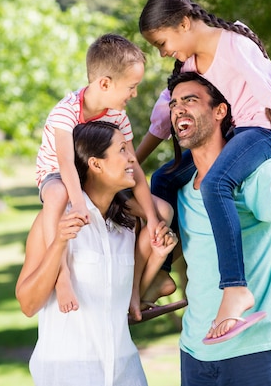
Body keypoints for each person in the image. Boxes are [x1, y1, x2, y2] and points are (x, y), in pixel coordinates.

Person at [136, 0, 271, 338]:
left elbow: (270, 87)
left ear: (184, 23)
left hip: (269, 132)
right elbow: (162, 120)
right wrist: (133, 162)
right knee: (163, 179)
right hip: (238, 137)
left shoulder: (233, 44)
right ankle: (161, 272)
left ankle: (236, 288)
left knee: (216, 183)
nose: (163, 53)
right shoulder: (190, 65)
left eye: (162, 42)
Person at [166, 72, 271, 383]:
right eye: (173, 104)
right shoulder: (181, 188)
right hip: (195, 352)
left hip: (254, 354)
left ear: (220, 111)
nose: (178, 110)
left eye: (190, 101)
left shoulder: (259, 174)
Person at [16, 121, 178, 386]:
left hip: (126, 372)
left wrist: (158, 256)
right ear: (96, 164)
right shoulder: (55, 220)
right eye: (122, 150)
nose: (132, 159)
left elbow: (124, 302)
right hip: (68, 374)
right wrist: (58, 244)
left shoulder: (128, 225)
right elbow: (28, 304)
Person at [34, 33, 171, 319]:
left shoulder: (116, 116)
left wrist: (152, 217)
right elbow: (66, 164)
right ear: (105, 83)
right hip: (58, 175)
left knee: (163, 210)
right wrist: (79, 204)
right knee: (58, 194)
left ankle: (135, 290)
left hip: (97, 180)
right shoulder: (65, 112)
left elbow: (133, 166)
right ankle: (61, 278)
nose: (134, 94)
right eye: (131, 87)